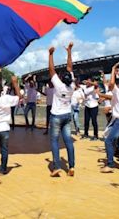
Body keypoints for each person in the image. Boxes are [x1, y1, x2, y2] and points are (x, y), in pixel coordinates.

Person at [48, 42, 76, 177]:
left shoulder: (58, 86)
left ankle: (57, 167)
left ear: (61, 78)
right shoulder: (72, 87)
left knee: (54, 141)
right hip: (66, 115)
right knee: (68, 141)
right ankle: (71, 166)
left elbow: (51, 70)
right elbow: (70, 66)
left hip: (56, 116)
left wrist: (50, 55)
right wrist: (69, 51)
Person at [81, 76, 100, 141]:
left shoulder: (93, 87)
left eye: (89, 81)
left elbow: (96, 84)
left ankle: (95, 135)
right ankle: (86, 134)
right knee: (86, 121)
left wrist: (90, 82)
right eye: (87, 81)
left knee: (94, 121)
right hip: (87, 106)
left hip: (94, 106)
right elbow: (77, 85)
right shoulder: (84, 87)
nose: (87, 82)